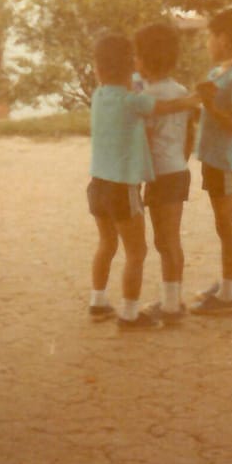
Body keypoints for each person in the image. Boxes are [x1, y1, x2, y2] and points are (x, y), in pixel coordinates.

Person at [86, 33, 199, 329]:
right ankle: (132, 313)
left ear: (97, 69)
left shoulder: (99, 96)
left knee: (107, 243)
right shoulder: (137, 99)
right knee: (142, 250)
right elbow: (168, 111)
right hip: (132, 184)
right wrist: (194, 100)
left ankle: (98, 301)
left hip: (98, 184)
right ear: (129, 67)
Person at [190, 8, 232, 315]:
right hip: (215, 159)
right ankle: (229, 280)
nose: (208, 43)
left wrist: (210, 106)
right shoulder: (221, 72)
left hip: (227, 161)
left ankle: (230, 291)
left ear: (225, 40)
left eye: (210, 37)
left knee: (227, 223)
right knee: (222, 222)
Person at [133, 23, 196, 323]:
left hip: (161, 176)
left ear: (144, 60)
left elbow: (143, 140)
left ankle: (171, 305)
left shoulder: (148, 99)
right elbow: (189, 135)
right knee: (169, 239)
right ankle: (172, 299)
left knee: (165, 240)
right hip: (178, 170)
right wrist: (180, 159)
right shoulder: (181, 91)